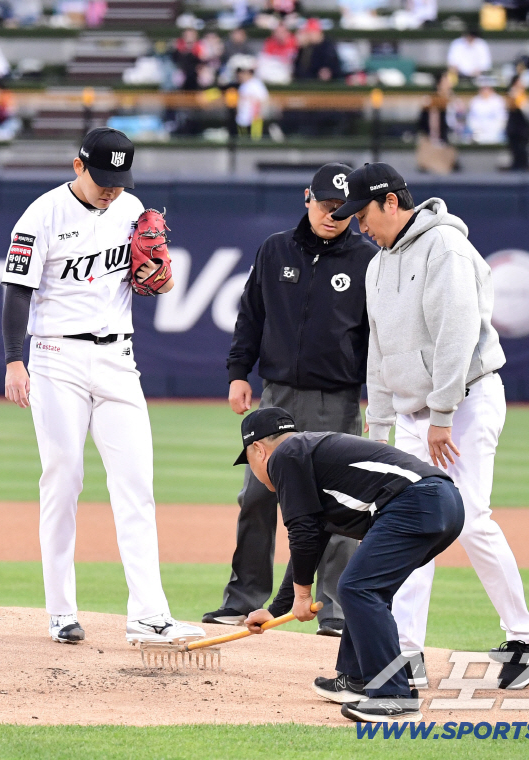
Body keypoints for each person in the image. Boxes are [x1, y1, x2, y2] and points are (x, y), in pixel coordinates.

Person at [336, 163, 529, 691]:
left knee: (470, 519)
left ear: (390, 202)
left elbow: (458, 332)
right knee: (406, 524)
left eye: (361, 213)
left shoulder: (445, 247)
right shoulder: (378, 264)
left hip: (464, 403)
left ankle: (525, 637)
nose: (358, 225)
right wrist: (378, 425)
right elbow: (378, 350)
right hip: (411, 414)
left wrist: (443, 413)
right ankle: (406, 651)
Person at [0, 128, 205, 646]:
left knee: (136, 483)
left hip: (118, 356)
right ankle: (61, 611)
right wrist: (13, 361)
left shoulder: (131, 208)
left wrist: (161, 276)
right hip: (55, 356)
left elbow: (154, 280)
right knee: (63, 479)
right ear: (77, 166)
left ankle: (148, 613)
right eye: (102, 179)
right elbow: (17, 291)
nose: (111, 189)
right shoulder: (40, 215)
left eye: (119, 179)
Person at [204, 163, 378, 637]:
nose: (333, 215)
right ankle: (243, 599)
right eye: (325, 205)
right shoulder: (275, 248)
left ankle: (337, 607)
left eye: (343, 210)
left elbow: (375, 336)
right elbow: (250, 316)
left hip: (337, 398)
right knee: (257, 495)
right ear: (307, 197)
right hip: (276, 396)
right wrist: (239, 373)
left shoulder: (367, 258)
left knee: (341, 503)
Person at [236, 407, 465, 723]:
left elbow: (301, 533)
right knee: (366, 590)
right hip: (440, 502)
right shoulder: (308, 457)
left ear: (259, 450)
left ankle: (394, 696)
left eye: (248, 462)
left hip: (418, 502)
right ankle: (357, 680)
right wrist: (277, 609)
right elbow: (313, 536)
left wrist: (303, 598)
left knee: (359, 588)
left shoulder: (286, 456)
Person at [233, 57, 270, 138]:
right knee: (243, 142)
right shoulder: (242, 85)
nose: (239, 75)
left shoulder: (256, 84)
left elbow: (264, 100)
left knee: (254, 142)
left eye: (242, 72)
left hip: (255, 119)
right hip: (242, 119)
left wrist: (261, 114)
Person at [505, 78, 529, 170]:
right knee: (516, 155)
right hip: (514, 131)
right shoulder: (512, 97)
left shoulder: (523, 97)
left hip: (523, 132)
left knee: (523, 156)